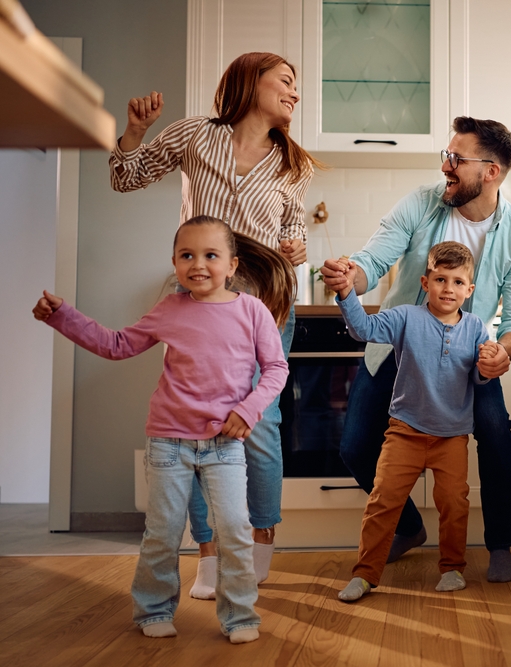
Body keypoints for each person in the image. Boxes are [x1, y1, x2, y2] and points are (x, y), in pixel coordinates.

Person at [109, 52, 321, 598]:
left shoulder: (293, 163)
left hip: (266, 302)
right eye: (286, 81)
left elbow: (294, 228)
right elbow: (125, 178)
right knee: (197, 423)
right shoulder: (196, 136)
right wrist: (135, 132)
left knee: (260, 424)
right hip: (199, 303)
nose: (295, 93)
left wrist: (298, 246)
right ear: (251, 81)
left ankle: (259, 540)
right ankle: (207, 552)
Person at [32, 216, 291, 643]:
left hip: (225, 445)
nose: (198, 264)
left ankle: (240, 616)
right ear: (174, 263)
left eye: (211, 255)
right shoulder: (170, 308)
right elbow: (116, 345)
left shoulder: (252, 311)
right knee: (163, 532)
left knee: (234, 530)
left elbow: (277, 368)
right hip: (169, 444)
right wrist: (63, 316)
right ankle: (152, 609)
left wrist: (248, 410)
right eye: (187, 255)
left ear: (232, 264)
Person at [321, 117, 511, 583]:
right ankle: (408, 527)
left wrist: (502, 352)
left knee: (496, 434)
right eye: (446, 155)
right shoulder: (421, 203)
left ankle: (501, 545)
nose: (446, 166)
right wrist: (349, 277)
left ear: (491, 172)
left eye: (456, 159)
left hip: (470, 358)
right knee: (356, 448)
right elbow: (372, 261)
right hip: (398, 349)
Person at [333, 242, 498, 601]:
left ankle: (452, 568)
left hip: (452, 436)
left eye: (457, 282)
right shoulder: (405, 317)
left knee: (454, 503)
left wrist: (487, 368)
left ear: (469, 290)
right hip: (405, 431)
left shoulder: (476, 329)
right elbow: (362, 329)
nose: (448, 289)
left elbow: (478, 377)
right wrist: (346, 293)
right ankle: (364, 574)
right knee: (383, 501)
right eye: (441, 279)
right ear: (425, 283)